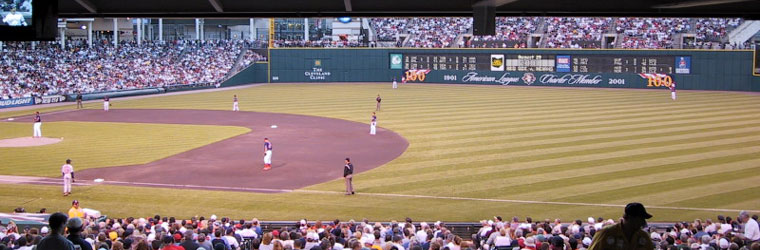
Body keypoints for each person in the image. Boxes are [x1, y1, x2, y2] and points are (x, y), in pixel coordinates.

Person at [588, 202, 654, 250]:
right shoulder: (606, 233)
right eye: (639, 219)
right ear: (629, 217)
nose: (643, 222)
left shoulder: (644, 236)